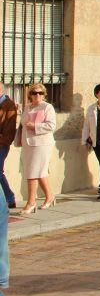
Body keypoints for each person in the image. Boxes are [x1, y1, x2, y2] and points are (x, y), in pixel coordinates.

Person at [15, 83, 56, 214]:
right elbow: (22, 124)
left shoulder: (47, 107)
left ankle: (31, 202)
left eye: (40, 93)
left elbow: (51, 125)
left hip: (42, 144)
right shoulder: (27, 108)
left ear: (44, 95)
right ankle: (50, 196)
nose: (37, 95)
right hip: (28, 144)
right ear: (30, 95)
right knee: (39, 171)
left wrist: (34, 126)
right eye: (34, 93)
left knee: (32, 172)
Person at [0, 84, 17, 209]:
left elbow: (9, 131)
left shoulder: (9, 105)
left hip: (2, 144)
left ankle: (10, 198)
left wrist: (3, 141)